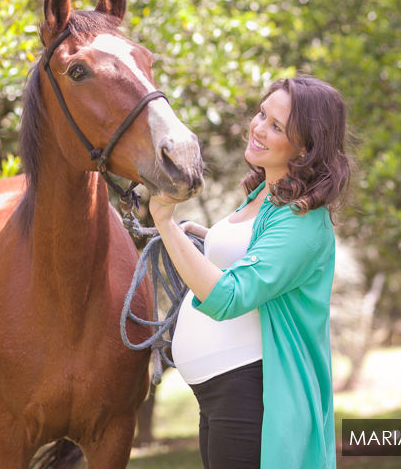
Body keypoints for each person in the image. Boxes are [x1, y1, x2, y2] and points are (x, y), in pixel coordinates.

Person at [149, 76, 352, 469]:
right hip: (220, 392)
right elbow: (256, 258)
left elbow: (229, 297)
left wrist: (166, 225)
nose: (258, 128)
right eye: (262, 114)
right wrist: (206, 239)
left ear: (306, 147)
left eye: (277, 127)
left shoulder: (303, 223)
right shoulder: (267, 192)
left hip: (252, 392)